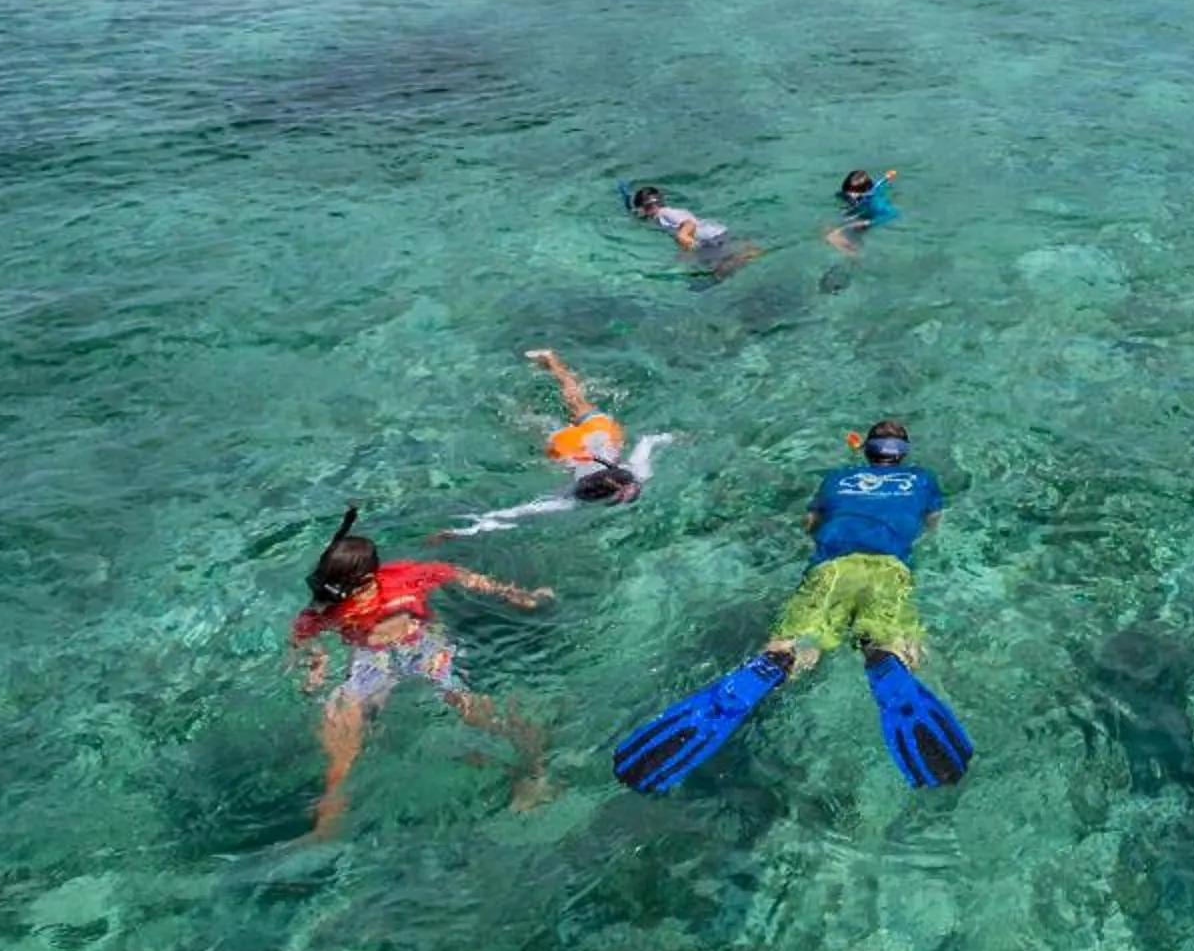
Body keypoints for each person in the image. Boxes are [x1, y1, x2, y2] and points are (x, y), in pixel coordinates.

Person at [610, 421, 973, 792]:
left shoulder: (836, 478)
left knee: (799, 641)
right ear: (902, 453)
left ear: (867, 450)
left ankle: (779, 661)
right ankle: (884, 657)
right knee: (892, 641)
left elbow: (810, 524)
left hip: (829, 569)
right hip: (888, 569)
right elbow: (931, 525)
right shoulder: (922, 479)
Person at [288, 505, 551, 838]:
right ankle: (331, 809)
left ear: (369, 579)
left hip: (423, 647)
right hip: (372, 657)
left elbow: (454, 573)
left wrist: (513, 594)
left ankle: (534, 769)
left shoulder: (404, 577)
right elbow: (303, 633)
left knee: (467, 705)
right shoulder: (330, 605)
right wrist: (316, 662)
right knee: (343, 721)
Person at [521, 348, 642, 504]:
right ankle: (525, 406)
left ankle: (550, 358)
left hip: (602, 433)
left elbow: (647, 443)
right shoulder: (578, 492)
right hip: (568, 449)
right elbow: (546, 504)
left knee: (575, 398)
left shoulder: (638, 472)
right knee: (532, 425)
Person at [625, 182, 760, 279]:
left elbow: (688, 223)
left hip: (710, 238)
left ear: (646, 207)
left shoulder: (665, 213)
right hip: (712, 236)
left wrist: (682, 235)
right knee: (710, 268)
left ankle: (746, 253)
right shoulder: (660, 215)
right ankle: (745, 251)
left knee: (718, 272)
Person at [824, 168, 900, 257]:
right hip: (859, 210)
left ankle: (856, 254)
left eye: (854, 194)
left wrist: (869, 223)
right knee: (828, 229)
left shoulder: (875, 202)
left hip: (869, 216)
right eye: (848, 193)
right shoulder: (849, 194)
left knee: (849, 231)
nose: (851, 196)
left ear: (866, 191)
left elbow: (893, 213)